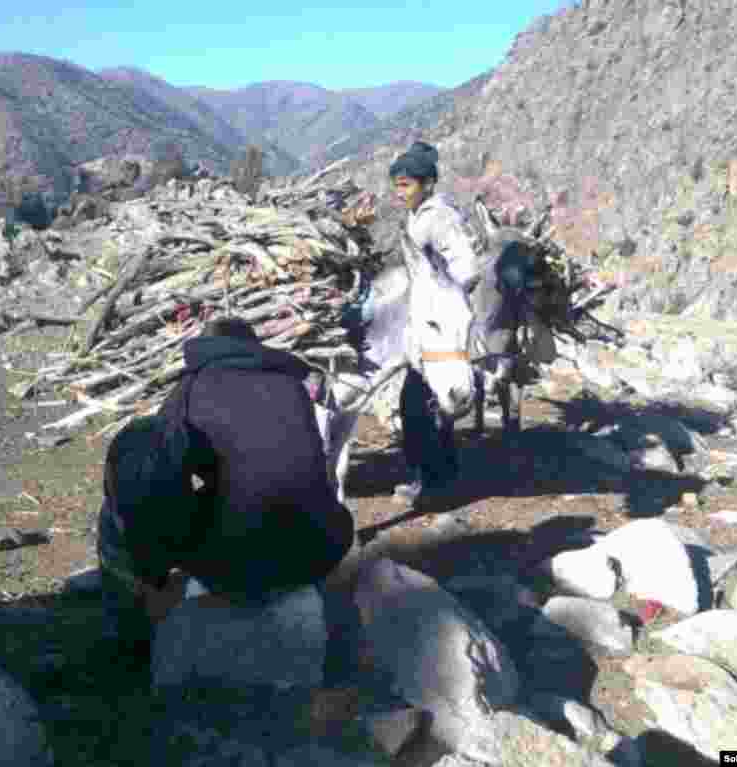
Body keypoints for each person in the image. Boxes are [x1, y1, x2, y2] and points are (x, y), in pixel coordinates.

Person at [96, 316, 355, 645]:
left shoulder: (191, 388)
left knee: (114, 515)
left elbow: (152, 470)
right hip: (322, 549)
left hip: (236, 568)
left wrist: (155, 559)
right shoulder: (293, 385)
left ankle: (130, 635)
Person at [376, 141, 485, 505]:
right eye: (397, 184)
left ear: (427, 184)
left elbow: (467, 267)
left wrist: (440, 290)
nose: (399, 191)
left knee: (417, 404)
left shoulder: (439, 217)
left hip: (439, 325)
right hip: (428, 322)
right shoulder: (419, 214)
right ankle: (442, 474)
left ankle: (429, 481)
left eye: (406, 184)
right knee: (424, 403)